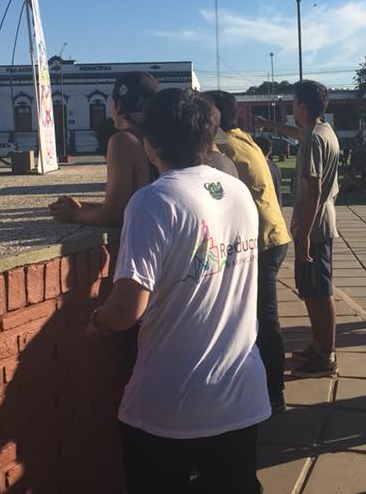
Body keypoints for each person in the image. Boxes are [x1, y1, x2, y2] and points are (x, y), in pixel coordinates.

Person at [86, 87, 269, 493]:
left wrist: (98, 321)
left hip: (171, 402)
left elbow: (128, 307)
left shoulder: (153, 201)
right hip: (239, 391)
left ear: (151, 142)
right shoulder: (236, 191)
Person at [207, 91, 292, 412]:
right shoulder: (243, 139)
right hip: (273, 233)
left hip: (263, 239)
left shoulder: (224, 148)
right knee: (257, 316)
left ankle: (274, 392)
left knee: (264, 319)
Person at [256, 79, 340, 377]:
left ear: (302, 106)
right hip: (318, 223)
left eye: (293, 102)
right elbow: (296, 134)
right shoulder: (322, 131)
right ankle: (318, 345)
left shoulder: (314, 139)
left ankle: (326, 355)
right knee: (311, 289)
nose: (292, 107)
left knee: (318, 292)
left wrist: (303, 235)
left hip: (314, 226)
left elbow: (313, 189)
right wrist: (270, 124)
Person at [49, 72, 159, 226]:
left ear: (118, 105)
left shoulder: (124, 141)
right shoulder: (160, 137)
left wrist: (74, 213)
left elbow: (115, 215)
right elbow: (130, 204)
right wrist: (82, 206)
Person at [254, 134, 283, 207]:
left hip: (265, 207)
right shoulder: (275, 167)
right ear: (270, 150)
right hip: (276, 207)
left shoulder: (257, 167)